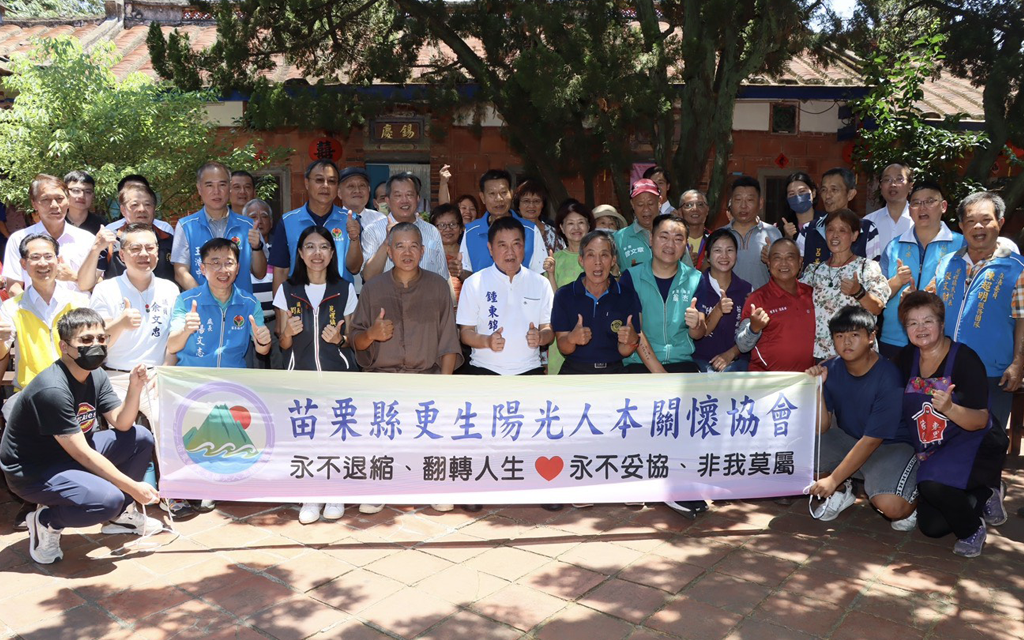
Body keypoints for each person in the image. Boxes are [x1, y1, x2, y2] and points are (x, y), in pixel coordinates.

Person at [0, 308, 162, 564]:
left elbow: (122, 423)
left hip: (71, 453)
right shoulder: (52, 389)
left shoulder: (96, 374)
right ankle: (46, 520)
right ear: (64, 347)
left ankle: (119, 517)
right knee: (108, 500)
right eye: (86, 340)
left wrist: (135, 387)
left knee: (140, 438)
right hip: (35, 471)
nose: (96, 345)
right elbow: (82, 454)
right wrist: (132, 487)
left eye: (101, 338)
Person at [351, 222, 463, 515]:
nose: (407, 252)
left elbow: (448, 340)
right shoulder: (373, 288)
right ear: (389, 251)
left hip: (426, 378)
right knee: (380, 437)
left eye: (413, 246)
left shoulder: (438, 286)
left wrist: (444, 385)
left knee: (431, 438)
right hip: (383, 379)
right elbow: (356, 341)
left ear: (423, 251)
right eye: (399, 246)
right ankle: (378, 487)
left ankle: (436, 485)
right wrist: (372, 334)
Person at [896, 291, 1008, 557]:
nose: (921, 328)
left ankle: (973, 531)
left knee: (931, 484)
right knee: (932, 527)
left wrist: (949, 408)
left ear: (942, 323)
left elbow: (980, 420)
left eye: (928, 321)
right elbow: (876, 373)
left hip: (975, 441)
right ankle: (984, 494)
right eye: (913, 323)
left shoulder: (965, 359)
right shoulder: (906, 358)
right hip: (935, 446)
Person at [805, 306, 918, 529]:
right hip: (851, 439)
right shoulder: (829, 368)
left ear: (871, 337)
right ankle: (842, 492)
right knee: (804, 455)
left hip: (891, 445)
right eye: (839, 336)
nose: (846, 342)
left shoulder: (889, 376)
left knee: (893, 508)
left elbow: (872, 440)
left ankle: (913, 497)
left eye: (854, 335)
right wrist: (817, 388)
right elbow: (821, 428)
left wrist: (833, 478)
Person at [274, 226, 357, 524]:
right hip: (302, 376)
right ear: (300, 253)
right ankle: (311, 494)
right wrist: (287, 333)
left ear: (332, 253)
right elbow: (283, 343)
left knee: (337, 433)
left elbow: (352, 339)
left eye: (323, 247)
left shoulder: (345, 289)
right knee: (307, 435)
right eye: (310, 247)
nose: (317, 253)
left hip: (338, 376)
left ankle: (336, 493)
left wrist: (340, 339)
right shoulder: (287, 290)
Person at [931, 191, 1024, 434]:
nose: (978, 227)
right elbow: (934, 308)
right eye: (970, 221)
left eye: (986, 220)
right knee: (945, 437)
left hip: (992, 372)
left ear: (1000, 222)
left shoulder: (1017, 268)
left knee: (989, 441)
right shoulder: (947, 263)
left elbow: (1023, 320)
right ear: (962, 226)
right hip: (947, 368)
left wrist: (1018, 363)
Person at [88, 223, 178, 424]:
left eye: (150, 247)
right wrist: (120, 323)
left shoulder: (170, 289)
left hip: (156, 377)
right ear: (122, 255)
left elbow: (174, 342)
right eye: (135, 248)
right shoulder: (106, 290)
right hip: (116, 378)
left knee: (167, 425)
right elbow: (98, 344)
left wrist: (165, 371)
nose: (144, 254)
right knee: (121, 429)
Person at [457, 215, 554, 376]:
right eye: (502, 245)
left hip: (529, 369)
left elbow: (548, 329)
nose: (510, 252)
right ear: (490, 248)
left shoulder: (540, 283)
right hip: (485, 369)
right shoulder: (473, 283)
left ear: (524, 246)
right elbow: (466, 333)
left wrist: (541, 337)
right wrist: (487, 341)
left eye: (516, 244)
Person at [878, 181, 964, 359]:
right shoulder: (894, 246)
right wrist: (896, 283)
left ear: (943, 206)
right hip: (894, 339)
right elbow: (877, 297)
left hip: (942, 340)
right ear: (910, 209)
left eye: (930, 201)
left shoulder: (961, 245)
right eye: (916, 203)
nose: (922, 207)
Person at [0, 234, 88, 399]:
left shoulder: (80, 302)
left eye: (48, 256)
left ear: (58, 260)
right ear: (24, 264)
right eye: (35, 257)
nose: (43, 263)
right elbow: (2, 352)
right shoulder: (12, 307)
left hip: (75, 390)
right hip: (29, 393)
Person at [799, 209, 890, 360]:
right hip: (820, 355)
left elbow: (877, 307)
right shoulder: (813, 271)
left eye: (842, 230)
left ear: (854, 235)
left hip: (856, 356)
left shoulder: (866, 267)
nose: (835, 235)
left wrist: (859, 292)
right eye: (830, 230)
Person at [621, 214, 705, 374]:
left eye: (678, 239)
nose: (670, 245)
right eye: (664, 237)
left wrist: (696, 324)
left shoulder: (695, 278)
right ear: (651, 239)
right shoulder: (631, 277)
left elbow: (698, 333)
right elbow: (635, 330)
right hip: (639, 363)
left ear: (686, 244)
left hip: (681, 362)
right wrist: (661, 375)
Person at [167, 237, 270, 368]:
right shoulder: (186, 300)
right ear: (203, 268)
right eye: (215, 263)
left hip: (231, 376)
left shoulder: (249, 303)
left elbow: (263, 350)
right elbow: (172, 346)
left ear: (237, 268)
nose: (223, 270)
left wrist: (263, 341)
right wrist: (186, 330)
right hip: (192, 376)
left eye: (229, 263)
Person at [551, 231, 641, 375]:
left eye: (604, 255)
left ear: (613, 260)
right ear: (581, 260)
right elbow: (564, 347)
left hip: (614, 371)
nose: (597, 262)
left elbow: (624, 351)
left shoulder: (627, 295)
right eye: (591, 255)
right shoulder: (565, 294)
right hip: (574, 371)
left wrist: (632, 340)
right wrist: (572, 339)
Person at [171, 162, 267, 293]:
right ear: (199, 188)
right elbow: (180, 272)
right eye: (209, 185)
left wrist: (257, 247)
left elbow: (260, 274)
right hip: (200, 304)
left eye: (222, 184)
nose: (216, 191)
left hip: (240, 304)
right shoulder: (186, 226)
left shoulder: (248, 226)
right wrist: (205, 297)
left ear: (229, 187)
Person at [270, 160, 362, 291]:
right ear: (307, 183)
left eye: (331, 181)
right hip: (299, 298)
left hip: (339, 297)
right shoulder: (288, 221)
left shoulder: (350, 219)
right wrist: (280, 304)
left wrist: (354, 238)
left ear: (337, 187)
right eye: (319, 180)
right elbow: (280, 271)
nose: (326, 186)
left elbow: (354, 268)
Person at [3, 174, 96, 296]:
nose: (54, 205)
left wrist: (73, 276)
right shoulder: (19, 239)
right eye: (46, 200)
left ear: (68, 201)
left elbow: (100, 285)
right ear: (34, 204)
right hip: (34, 308)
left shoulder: (87, 239)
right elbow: (13, 288)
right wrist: (35, 307)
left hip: (79, 307)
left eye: (59, 198)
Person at [77, 182, 176, 291]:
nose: (142, 209)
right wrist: (96, 249)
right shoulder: (110, 241)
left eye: (147, 204)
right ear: (123, 210)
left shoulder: (168, 240)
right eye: (134, 205)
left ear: (154, 208)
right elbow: (84, 285)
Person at [735, 238, 815, 372]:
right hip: (767, 379)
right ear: (768, 263)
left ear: (800, 262)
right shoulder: (757, 299)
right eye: (777, 258)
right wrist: (753, 329)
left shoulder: (812, 294)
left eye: (790, 257)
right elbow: (742, 346)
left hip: (807, 378)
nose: (784, 263)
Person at [361, 173, 450, 282]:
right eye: (398, 195)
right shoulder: (372, 231)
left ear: (417, 199)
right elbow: (368, 277)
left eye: (409, 195)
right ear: (388, 200)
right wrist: (386, 242)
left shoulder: (432, 231)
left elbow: (442, 277)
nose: (404, 200)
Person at [459, 169, 545, 277]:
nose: (499, 199)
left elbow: (539, 274)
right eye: (492, 194)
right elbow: (466, 271)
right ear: (482, 198)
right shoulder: (471, 232)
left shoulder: (530, 231)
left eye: (504, 192)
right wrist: (459, 271)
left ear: (511, 194)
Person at [542, 200, 593, 375]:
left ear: (588, 226)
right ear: (562, 228)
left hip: (593, 330)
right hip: (563, 333)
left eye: (581, 222)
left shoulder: (598, 257)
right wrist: (550, 274)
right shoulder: (555, 260)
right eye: (570, 223)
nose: (576, 228)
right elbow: (553, 301)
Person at [693, 229, 752, 372]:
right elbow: (698, 331)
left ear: (736, 254)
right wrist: (718, 309)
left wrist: (731, 354)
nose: (724, 256)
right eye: (717, 250)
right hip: (699, 361)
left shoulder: (746, 289)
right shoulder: (695, 286)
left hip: (737, 363)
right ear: (707, 256)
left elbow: (751, 332)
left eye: (729, 250)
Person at [804, 167, 882, 267]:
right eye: (824, 190)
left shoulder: (867, 229)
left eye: (834, 189)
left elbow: (874, 271)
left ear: (850, 194)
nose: (827, 196)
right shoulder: (808, 229)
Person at [720, 176, 780, 290]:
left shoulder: (773, 233)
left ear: (760, 203)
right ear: (730, 203)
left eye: (750, 200)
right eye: (738, 200)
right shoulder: (719, 235)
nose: (743, 206)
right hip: (726, 300)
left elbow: (784, 274)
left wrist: (773, 260)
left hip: (763, 300)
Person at [244, 198, 282, 369]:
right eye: (253, 217)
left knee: (278, 371)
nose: (258, 221)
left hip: (275, 321)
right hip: (250, 323)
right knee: (254, 373)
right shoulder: (239, 250)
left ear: (271, 222)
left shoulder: (280, 248)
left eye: (264, 216)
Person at [865, 163, 914, 257]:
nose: (893, 184)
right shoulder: (868, 222)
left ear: (910, 186)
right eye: (887, 180)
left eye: (899, 179)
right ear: (880, 186)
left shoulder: (919, 221)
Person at [615, 179, 662, 270]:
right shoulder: (619, 238)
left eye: (650, 203)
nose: (646, 209)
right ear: (632, 204)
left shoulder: (673, 234)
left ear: (659, 202)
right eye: (640, 204)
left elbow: (687, 272)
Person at [514, 179, 563, 255]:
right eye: (526, 201)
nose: (531, 206)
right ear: (518, 205)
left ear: (542, 205)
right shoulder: (510, 230)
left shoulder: (553, 234)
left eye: (536, 201)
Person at [429, 203, 465, 303]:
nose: (448, 229)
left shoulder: (468, 253)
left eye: (453, 224)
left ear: (461, 228)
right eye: (442, 225)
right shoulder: (427, 255)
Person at [777, 172, 820, 255]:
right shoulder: (780, 228)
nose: (797, 197)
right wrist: (787, 237)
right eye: (791, 194)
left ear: (813, 193)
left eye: (802, 191)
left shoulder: (827, 222)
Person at [64, 170, 105, 235]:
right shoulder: (56, 222)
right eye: (76, 190)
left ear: (93, 196)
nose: (82, 196)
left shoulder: (102, 226)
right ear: (65, 192)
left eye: (88, 192)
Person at [678, 190, 711, 269]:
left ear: (707, 210)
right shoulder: (673, 240)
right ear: (680, 212)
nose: (695, 209)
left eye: (700, 204)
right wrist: (683, 264)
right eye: (688, 205)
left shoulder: (714, 239)